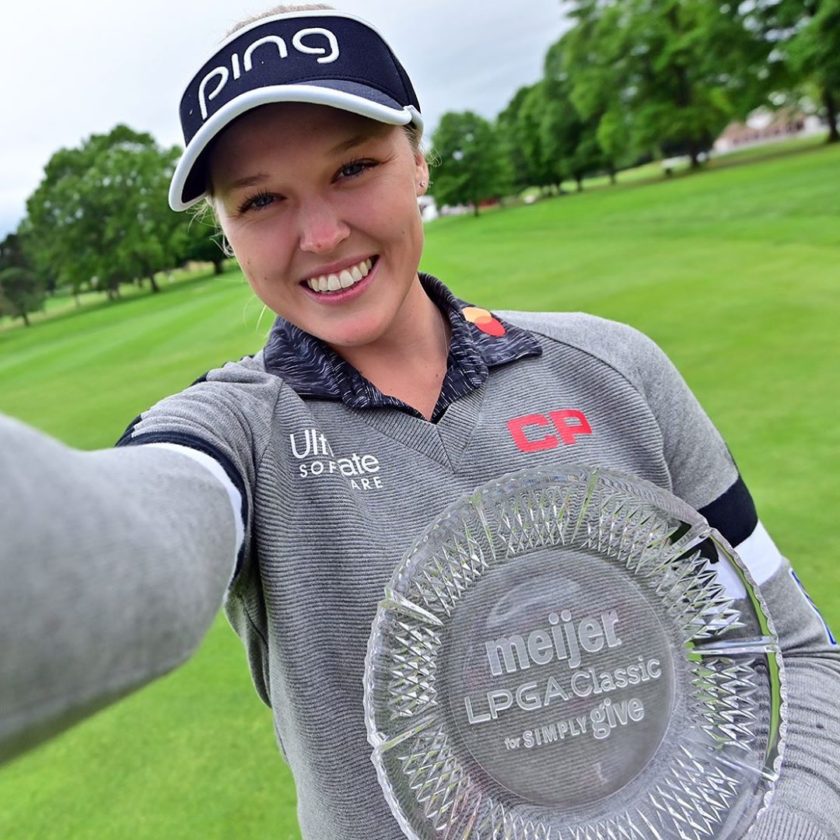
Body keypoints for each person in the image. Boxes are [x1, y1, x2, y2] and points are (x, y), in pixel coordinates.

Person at [1, 5, 838, 839]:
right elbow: (138, 534)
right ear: (225, 231)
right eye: (261, 200)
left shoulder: (613, 367)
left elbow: (795, 653)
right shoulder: (235, 431)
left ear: (419, 161)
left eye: (354, 167)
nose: (322, 235)